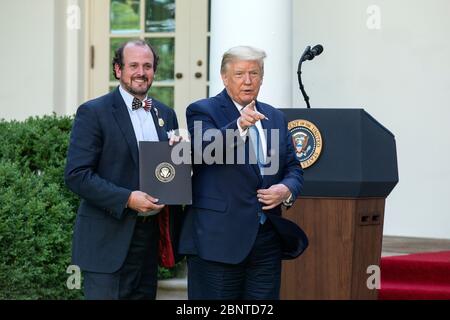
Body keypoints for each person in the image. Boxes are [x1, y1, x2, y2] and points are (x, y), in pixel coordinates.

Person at [179, 46, 308, 299]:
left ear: (262, 78)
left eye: (254, 73)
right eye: (239, 74)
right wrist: (239, 125)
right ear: (224, 77)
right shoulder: (203, 110)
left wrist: (286, 190)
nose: (248, 81)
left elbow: (293, 167)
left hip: (266, 240)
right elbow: (204, 149)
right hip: (217, 240)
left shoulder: (275, 117)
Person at [64, 39, 182, 300]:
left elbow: (168, 171)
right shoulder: (93, 112)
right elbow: (77, 175)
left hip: (150, 240)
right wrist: (127, 199)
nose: (141, 72)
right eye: (134, 65)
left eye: (148, 66)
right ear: (118, 70)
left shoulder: (166, 114)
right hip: (107, 240)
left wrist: (183, 156)